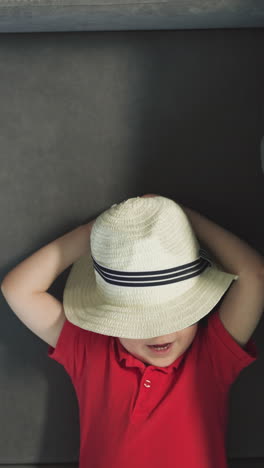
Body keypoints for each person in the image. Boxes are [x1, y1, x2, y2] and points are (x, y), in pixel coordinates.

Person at [1, 194, 261, 468]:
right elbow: (18, 289)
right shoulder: (90, 351)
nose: (160, 332)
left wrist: (182, 219)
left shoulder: (212, 358)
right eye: (140, 320)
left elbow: (254, 276)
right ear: (110, 319)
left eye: (175, 316)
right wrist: (95, 232)